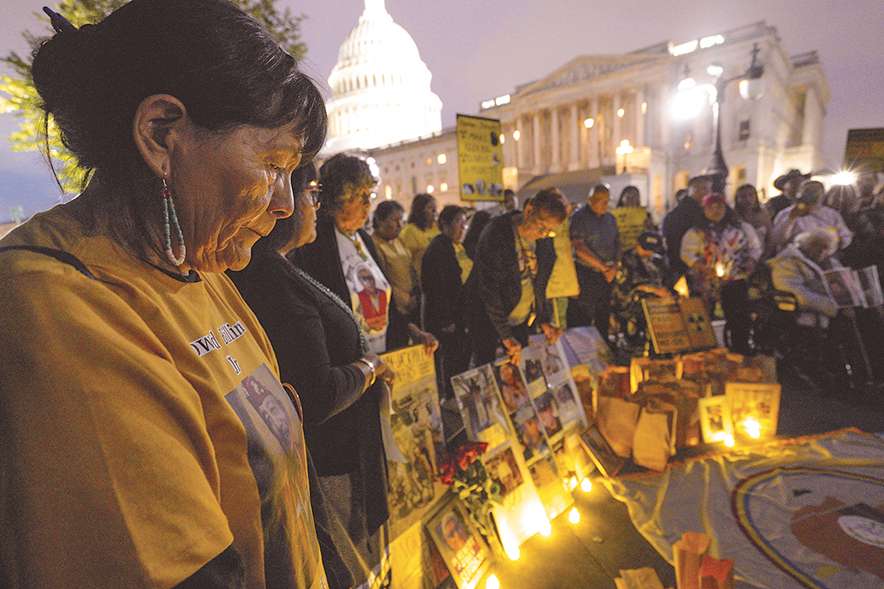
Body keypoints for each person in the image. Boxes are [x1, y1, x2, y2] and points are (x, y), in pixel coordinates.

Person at [0, 1, 330, 587]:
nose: (285, 205)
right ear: (160, 134)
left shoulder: (202, 270)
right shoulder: (55, 303)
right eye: (275, 163)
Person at [229, 164, 397, 589]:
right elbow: (316, 392)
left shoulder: (286, 267)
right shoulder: (272, 276)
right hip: (330, 450)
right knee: (351, 557)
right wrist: (370, 367)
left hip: (345, 439)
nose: (309, 207)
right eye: (312, 194)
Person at [293, 154, 438, 354]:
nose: (367, 204)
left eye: (368, 195)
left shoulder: (364, 238)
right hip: (349, 364)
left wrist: (412, 330)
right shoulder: (315, 244)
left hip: (382, 355)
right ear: (336, 197)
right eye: (358, 196)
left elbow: (387, 305)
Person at [465, 188, 567, 366]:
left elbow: (540, 284)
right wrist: (505, 335)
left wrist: (544, 319)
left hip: (520, 320)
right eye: (541, 227)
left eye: (550, 231)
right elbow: (489, 290)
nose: (543, 234)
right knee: (488, 368)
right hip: (488, 318)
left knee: (518, 372)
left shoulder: (544, 242)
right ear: (528, 211)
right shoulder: (496, 233)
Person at [681, 193, 762, 354]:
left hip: (735, 279)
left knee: (738, 317)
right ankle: (703, 351)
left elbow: (755, 248)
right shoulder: (696, 231)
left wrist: (751, 261)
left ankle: (739, 350)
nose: (715, 211)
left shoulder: (741, 228)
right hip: (705, 282)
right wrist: (703, 268)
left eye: (719, 207)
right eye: (710, 208)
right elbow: (686, 253)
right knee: (703, 319)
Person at [422, 205, 473, 401]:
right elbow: (436, 288)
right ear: (445, 224)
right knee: (451, 362)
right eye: (458, 222)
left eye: (465, 223)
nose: (463, 227)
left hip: (458, 316)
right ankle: (451, 400)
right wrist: (446, 319)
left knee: (459, 361)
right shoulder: (438, 249)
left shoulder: (453, 246)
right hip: (447, 320)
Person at [567, 183, 621, 338]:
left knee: (603, 315)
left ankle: (602, 350)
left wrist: (615, 265)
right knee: (582, 316)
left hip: (607, 275)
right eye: (602, 201)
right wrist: (603, 267)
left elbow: (618, 241)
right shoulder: (580, 218)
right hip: (587, 273)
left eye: (607, 201)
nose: (606, 205)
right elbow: (579, 247)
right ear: (591, 200)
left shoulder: (610, 218)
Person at [769, 180, 854, 257]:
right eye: (808, 191)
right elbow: (777, 239)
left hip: (825, 256)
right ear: (799, 192)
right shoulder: (786, 213)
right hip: (795, 256)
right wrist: (791, 219)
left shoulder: (831, 214)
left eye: (816, 191)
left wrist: (834, 244)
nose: (812, 194)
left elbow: (845, 235)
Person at [371, 199, 420, 324]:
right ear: (379, 221)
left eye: (401, 221)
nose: (400, 225)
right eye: (394, 221)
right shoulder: (374, 245)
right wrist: (405, 300)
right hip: (395, 309)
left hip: (413, 304)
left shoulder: (399, 241)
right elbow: (380, 279)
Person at [662, 175, 712, 282]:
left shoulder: (707, 211)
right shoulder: (685, 213)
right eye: (699, 188)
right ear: (689, 190)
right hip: (688, 268)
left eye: (706, 189)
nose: (703, 192)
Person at [399, 192, 439, 287]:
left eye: (435, 208)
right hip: (424, 281)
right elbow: (408, 262)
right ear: (420, 210)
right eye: (430, 208)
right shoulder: (410, 231)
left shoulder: (437, 228)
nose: (434, 211)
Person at [734, 183, 773, 258]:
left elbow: (769, 240)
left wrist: (764, 257)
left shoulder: (764, 215)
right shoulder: (734, 217)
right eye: (743, 196)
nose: (748, 199)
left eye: (751, 195)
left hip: (763, 255)